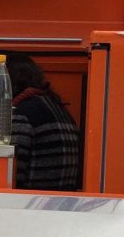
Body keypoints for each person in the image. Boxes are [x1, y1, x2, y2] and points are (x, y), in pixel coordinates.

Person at [7, 54, 80, 190]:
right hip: (60, 202)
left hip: (31, 203)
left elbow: (11, 175)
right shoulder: (58, 108)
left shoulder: (22, 114)